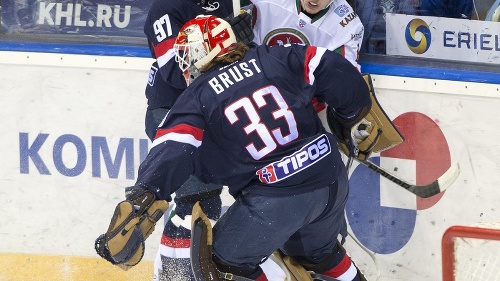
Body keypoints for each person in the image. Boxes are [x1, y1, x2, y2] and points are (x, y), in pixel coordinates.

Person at [132, 15, 371, 280]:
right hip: (329, 177)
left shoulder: (198, 95)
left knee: (224, 261)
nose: (185, 65)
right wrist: (350, 114)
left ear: (203, 50)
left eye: (189, 54)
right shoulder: (271, 57)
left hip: (278, 197)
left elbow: (173, 146)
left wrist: (145, 192)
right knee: (321, 255)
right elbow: (328, 64)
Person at [141, 0, 255, 280]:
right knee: (197, 202)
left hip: (215, 110)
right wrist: (226, 40)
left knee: (203, 203)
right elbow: (175, 72)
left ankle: (171, 271)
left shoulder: (237, 2)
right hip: (174, 113)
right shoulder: (167, 8)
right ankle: (173, 275)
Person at [250, 0, 364, 71]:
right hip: (255, 82)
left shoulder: (348, 26)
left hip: (304, 99)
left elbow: (342, 78)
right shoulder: (263, 2)